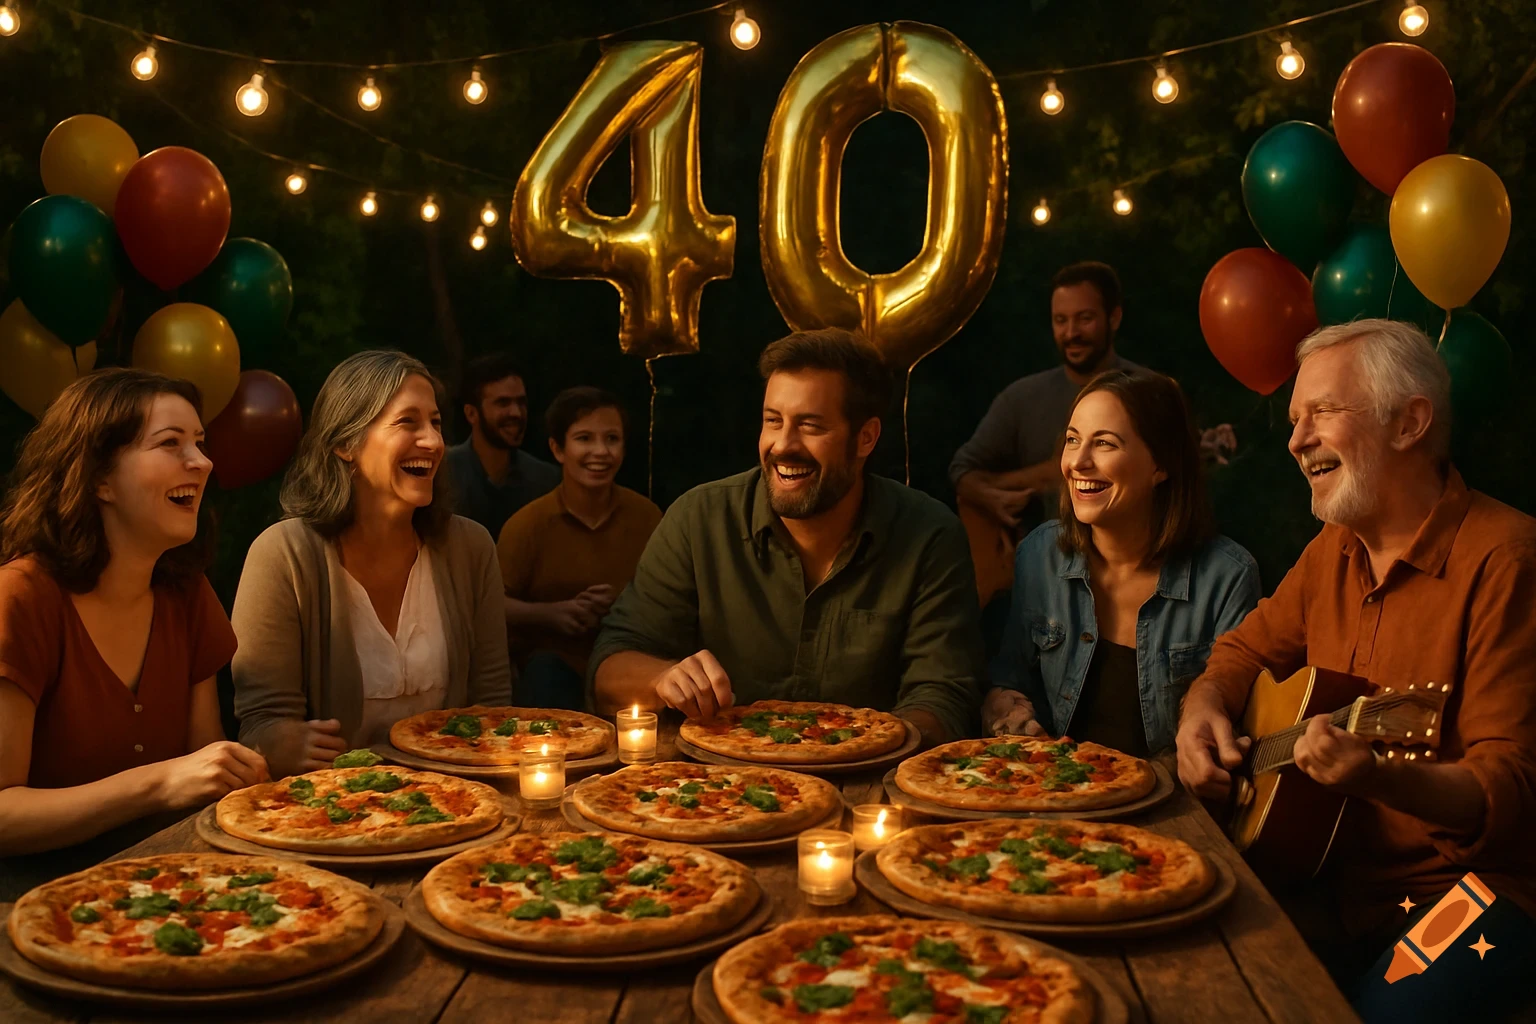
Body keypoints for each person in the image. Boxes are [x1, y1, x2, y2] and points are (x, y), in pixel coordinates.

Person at [1174, 320, 1536, 1022]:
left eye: (1322, 413)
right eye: (1292, 419)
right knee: (1196, 973)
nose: (1295, 439)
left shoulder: (1506, 560)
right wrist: (1202, 711)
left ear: (1411, 422)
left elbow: (1509, 788)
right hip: (1341, 881)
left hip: (1481, 890)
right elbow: (1241, 655)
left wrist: (1378, 776)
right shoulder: (1331, 550)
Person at [591, 327, 984, 745]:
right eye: (773, 421)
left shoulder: (929, 535)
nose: (782, 445)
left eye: (810, 426)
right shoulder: (698, 518)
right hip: (714, 789)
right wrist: (661, 678)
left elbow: (945, 696)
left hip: (868, 781)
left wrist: (860, 744)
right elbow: (609, 667)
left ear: (865, 437)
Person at [0, 369, 267, 896]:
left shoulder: (185, 591)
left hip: (173, 884)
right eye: (170, 443)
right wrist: (161, 782)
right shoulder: (20, 598)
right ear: (99, 478)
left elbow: (203, 780)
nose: (202, 461)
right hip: (33, 904)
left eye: (199, 442)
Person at [233, 351, 511, 779]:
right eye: (408, 422)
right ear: (345, 444)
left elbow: (493, 705)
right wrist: (280, 741)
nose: (435, 443)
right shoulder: (282, 554)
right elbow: (261, 722)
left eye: (436, 423)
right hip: (325, 812)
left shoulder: (471, 547)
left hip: (459, 797)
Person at [986, 371, 1259, 755]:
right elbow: (1010, 675)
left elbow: (1237, 730)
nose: (1077, 462)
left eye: (1104, 444)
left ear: (1160, 465)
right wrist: (1004, 703)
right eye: (1072, 440)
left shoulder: (1227, 577)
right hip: (1049, 793)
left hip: (1170, 803)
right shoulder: (1039, 554)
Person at [950, 262, 1145, 535]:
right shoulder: (1021, 397)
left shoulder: (1148, 392)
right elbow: (962, 470)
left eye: (1084, 318)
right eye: (1061, 320)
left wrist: (1035, 478)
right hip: (1035, 568)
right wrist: (993, 499)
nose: (1071, 333)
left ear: (1114, 318)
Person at [497, 387, 661, 710]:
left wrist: (621, 602)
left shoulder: (648, 518)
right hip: (551, 671)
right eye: (584, 439)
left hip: (628, 666)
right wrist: (552, 614)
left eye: (612, 439)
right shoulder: (528, 524)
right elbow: (490, 605)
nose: (600, 451)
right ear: (558, 449)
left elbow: (672, 600)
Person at [444, 352, 560, 538]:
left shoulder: (545, 481)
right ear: (471, 414)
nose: (516, 413)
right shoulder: (443, 475)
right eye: (503, 403)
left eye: (521, 402)